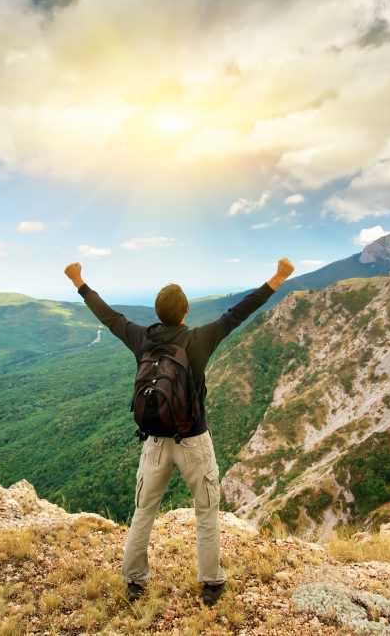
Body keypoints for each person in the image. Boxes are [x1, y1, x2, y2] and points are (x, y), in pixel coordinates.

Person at [64, 257, 295, 606]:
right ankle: (211, 583)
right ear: (185, 312)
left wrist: (79, 282)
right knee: (205, 511)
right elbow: (238, 312)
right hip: (193, 442)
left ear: (157, 313)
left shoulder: (142, 338)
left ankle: (135, 581)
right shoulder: (199, 339)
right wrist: (277, 277)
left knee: (144, 511)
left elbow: (109, 316)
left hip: (155, 441)